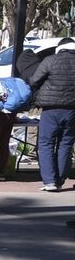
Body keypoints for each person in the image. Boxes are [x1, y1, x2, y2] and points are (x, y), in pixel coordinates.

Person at [30, 38, 75, 191]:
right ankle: (60, 180)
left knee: (46, 143)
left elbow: (34, 80)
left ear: (59, 48)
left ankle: (49, 181)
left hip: (50, 109)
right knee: (66, 144)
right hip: (72, 110)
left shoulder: (50, 60)